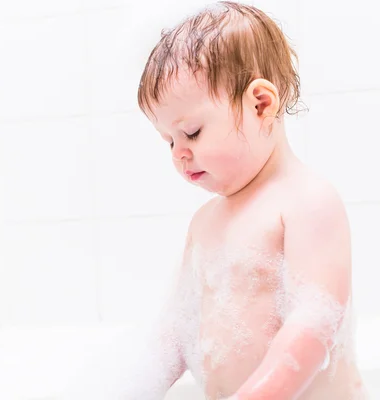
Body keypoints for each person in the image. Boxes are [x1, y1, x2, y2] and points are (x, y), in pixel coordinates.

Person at [128, 1, 367, 398]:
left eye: (192, 132)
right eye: (168, 140)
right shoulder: (203, 223)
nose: (178, 153)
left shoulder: (306, 200)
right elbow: (174, 331)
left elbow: (314, 321)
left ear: (261, 104)